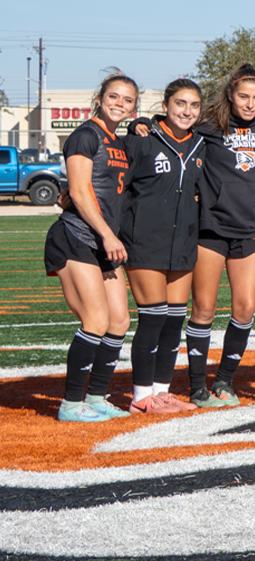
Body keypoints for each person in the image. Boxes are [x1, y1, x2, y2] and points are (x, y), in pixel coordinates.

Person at [47, 73, 138, 422]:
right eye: (113, 96)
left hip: (102, 242)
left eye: (127, 100)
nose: (119, 104)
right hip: (78, 237)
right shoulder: (86, 134)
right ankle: (71, 404)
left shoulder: (118, 140)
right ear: (100, 98)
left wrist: (145, 125)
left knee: (119, 321)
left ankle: (97, 397)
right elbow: (80, 191)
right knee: (96, 320)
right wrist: (108, 236)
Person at [192, 63, 255, 407]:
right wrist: (144, 123)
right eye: (243, 96)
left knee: (244, 309)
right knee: (204, 309)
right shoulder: (208, 126)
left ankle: (224, 380)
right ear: (230, 94)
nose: (250, 104)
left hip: (250, 229)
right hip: (211, 228)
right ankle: (197, 385)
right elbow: (172, 135)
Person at [120, 78, 206, 413]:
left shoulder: (201, 144)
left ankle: (162, 391)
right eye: (180, 104)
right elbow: (115, 184)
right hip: (145, 241)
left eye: (194, 105)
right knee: (152, 319)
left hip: (183, 242)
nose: (187, 111)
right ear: (166, 106)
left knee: (174, 320)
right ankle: (141, 397)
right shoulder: (142, 140)